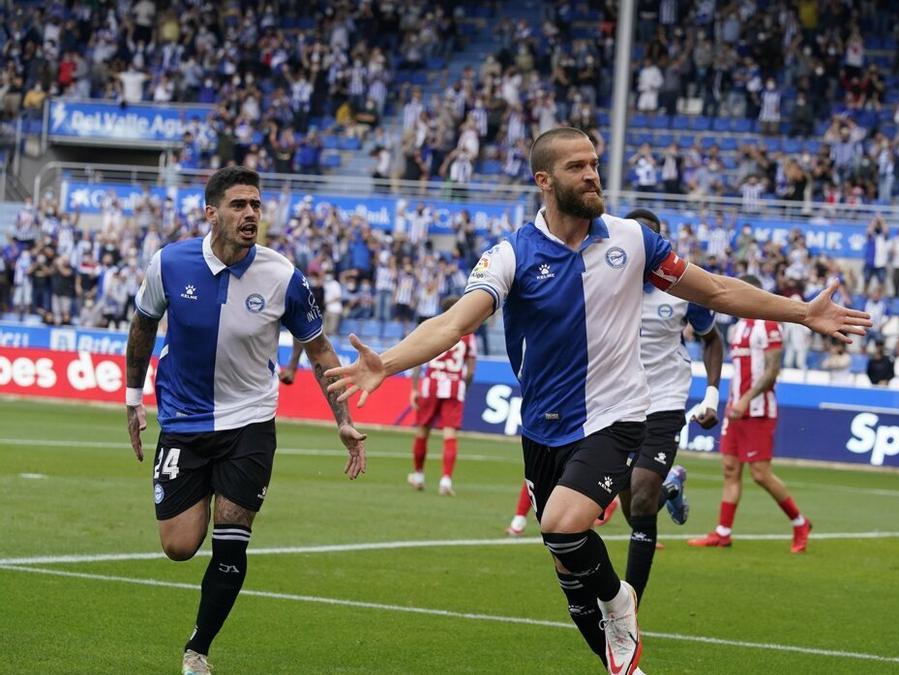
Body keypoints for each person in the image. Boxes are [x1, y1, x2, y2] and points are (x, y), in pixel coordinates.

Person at [324, 127, 870, 674]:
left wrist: (802, 311)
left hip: (618, 415)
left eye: (594, 163)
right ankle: (625, 663)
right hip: (542, 428)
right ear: (544, 181)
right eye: (576, 166)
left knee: (563, 525)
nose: (591, 174)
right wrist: (388, 362)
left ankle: (622, 599)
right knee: (571, 578)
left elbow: (717, 291)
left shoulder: (633, 240)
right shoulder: (511, 254)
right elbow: (454, 321)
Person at [124, 166, 367, 675]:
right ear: (212, 213)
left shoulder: (282, 275)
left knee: (232, 539)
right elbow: (144, 324)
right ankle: (201, 500)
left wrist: (341, 419)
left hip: (251, 423)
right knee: (179, 547)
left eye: (256, 204)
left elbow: (319, 351)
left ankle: (198, 650)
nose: (250, 214)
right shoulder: (169, 264)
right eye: (239, 205)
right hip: (185, 421)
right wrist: (132, 397)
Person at [616, 207, 725, 604]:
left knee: (642, 496)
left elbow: (711, 339)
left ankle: (629, 611)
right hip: (619, 399)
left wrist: (711, 395)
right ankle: (672, 485)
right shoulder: (602, 279)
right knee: (632, 507)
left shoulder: (680, 285)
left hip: (664, 397)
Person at [687, 275, 815, 554]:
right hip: (736, 408)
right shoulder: (739, 327)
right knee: (730, 469)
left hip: (758, 410)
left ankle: (800, 522)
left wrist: (745, 399)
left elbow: (772, 371)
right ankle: (723, 532)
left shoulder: (768, 324)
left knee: (760, 474)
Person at [407, 296, 476, 495]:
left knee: (422, 431)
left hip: (431, 384)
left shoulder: (432, 328)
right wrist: (463, 388)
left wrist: (414, 389)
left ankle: (418, 475)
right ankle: (446, 480)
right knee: (450, 434)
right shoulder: (469, 335)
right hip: (454, 386)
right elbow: (470, 371)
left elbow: (417, 360)